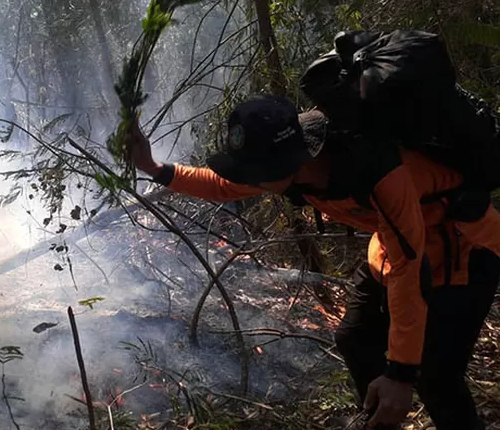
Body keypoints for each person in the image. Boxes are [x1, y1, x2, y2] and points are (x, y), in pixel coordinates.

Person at [125, 95, 500, 429]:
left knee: (435, 377)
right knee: (354, 338)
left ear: (285, 163)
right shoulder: (291, 167)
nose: (248, 182)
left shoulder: (380, 171)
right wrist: (155, 169)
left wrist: (401, 376)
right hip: (393, 249)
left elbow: (409, 267)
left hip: (463, 252)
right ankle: (379, 420)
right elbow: (223, 185)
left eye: (255, 173)